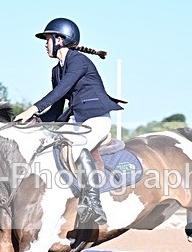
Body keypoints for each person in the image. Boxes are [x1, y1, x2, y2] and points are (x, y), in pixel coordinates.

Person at [14, 18, 125, 225]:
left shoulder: (78, 60)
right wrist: (36, 121)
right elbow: (57, 109)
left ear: (60, 39)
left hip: (97, 118)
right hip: (76, 121)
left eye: (48, 39)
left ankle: (93, 206)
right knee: (48, 147)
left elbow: (60, 91)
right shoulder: (56, 70)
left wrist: (32, 108)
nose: (45, 45)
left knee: (74, 149)